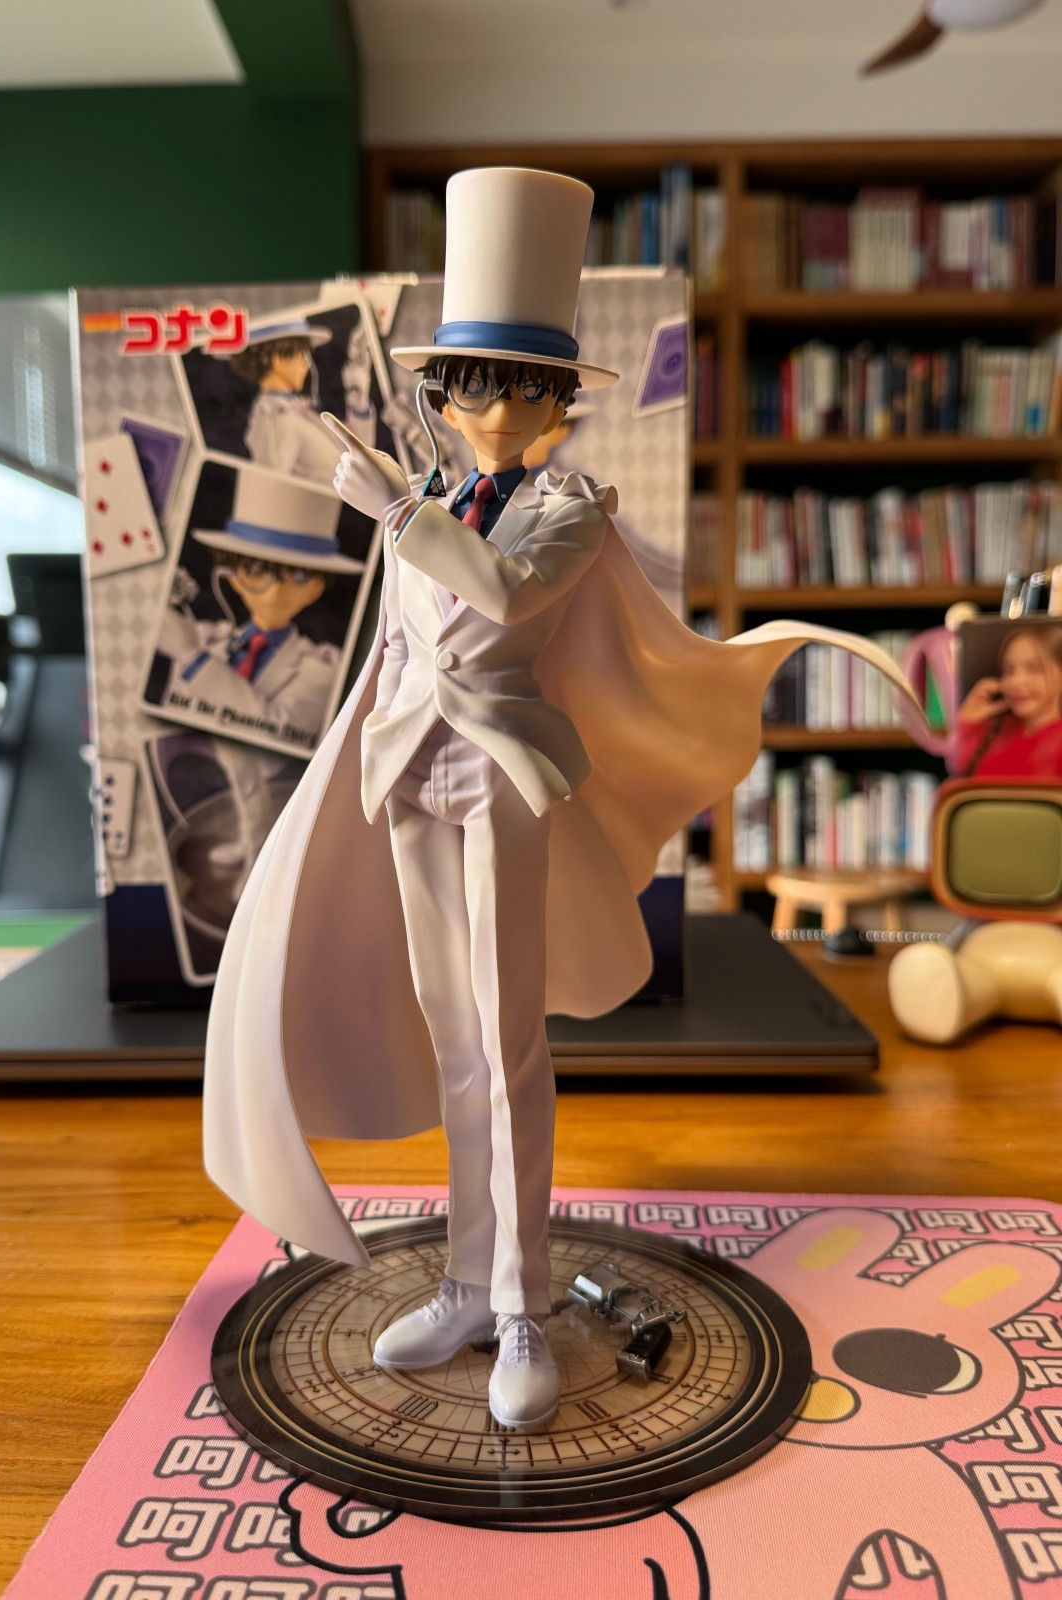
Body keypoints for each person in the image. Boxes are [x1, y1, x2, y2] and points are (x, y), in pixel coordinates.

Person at [203, 167, 922, 1432]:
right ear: (438, 394)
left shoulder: (568, 509)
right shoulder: (424, 507)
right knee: (452, 1037)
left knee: (509, 1041)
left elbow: (505, 596)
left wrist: (394, 510)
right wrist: (347, 763)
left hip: (503, 777)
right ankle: (468, 1283)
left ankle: (526, 1300)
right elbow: (394, 647)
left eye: (527, 388)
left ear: (557, 404)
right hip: (409, 775)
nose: (499, 411)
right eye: (475, 386)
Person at [169, 464, 363, 750]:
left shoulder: (325, 668)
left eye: (299, 576)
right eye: (256, 570)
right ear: (233, 577)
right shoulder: (204, 637)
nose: (275, 592)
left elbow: (276, 732)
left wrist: (193, 658)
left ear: (317, 588)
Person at [229, 319, 342, 482]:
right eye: (301, 354)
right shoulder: (277, 418)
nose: (306, 364)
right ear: (278, 359)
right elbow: (272, 485)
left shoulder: (292, 408)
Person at [955, 623, 1062, 778]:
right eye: (1009, 670)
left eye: (1034, 669)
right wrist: (967, 723)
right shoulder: (993, 733)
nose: (1016, 682)